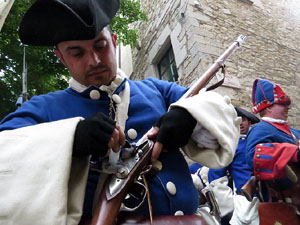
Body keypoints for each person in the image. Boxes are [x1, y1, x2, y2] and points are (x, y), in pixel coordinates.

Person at [0, 0, 240, 224]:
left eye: (100, 46)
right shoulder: (43, 108)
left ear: (114, 41)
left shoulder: (156, 90)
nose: (94, 60)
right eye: (77, 53)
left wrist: (191, 116)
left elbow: (219, 109)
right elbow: (6, 152)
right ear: (61, 58)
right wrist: (71, 138)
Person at [189, 107, 259, 225]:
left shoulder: (258, 142)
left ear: (249, 122)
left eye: (244, 119)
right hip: (244, 200)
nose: (241, 123)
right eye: (237, 120)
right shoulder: (229, 146)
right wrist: (228, 208)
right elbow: (215, 174)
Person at [246, 78, 300, 200]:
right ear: (268, 107)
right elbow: (254, 156)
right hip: (283, 201)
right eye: (283, 104)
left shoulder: (294, 132)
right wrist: (293, 153)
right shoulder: (261, 129)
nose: (288, 107)